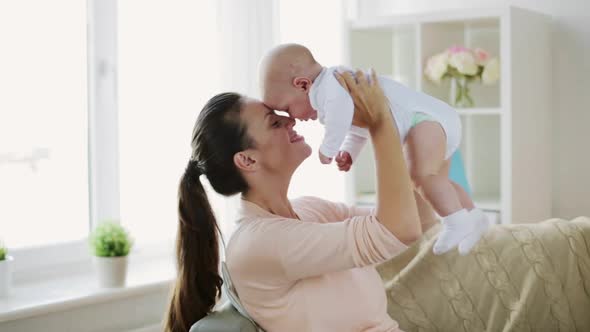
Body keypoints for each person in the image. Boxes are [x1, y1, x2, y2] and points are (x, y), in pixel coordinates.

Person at [165, 69, 424, 332]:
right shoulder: (257, 243)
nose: (290, 121)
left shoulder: (309, 210)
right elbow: (400, 230)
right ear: (248, 160)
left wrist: (427, 132)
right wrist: (379, 122)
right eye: (274, 123)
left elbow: (418, 217)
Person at [259, 43, 490, 256]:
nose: (292, 118)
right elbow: (360, 128)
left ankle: (455, 221)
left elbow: (340, 118)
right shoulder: (335, 90)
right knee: (437, 180)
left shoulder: (331, 87)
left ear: (302, 84)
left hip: (424, 120)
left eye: (287, 108)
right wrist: (349, 151)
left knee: (419, 177)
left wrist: (329, 149)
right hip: (433, 119)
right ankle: (473, 215)